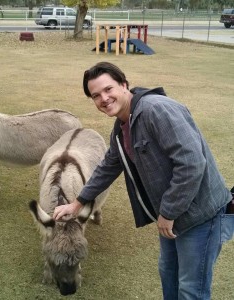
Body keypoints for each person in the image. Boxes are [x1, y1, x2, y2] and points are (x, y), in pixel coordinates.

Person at [53, 62, 232, 299]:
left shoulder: (156, 110)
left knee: (191, 289)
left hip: (200, 216)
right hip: (172, 215)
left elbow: (191, 164)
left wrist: (168, 212)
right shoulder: (121, 126)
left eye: (108, 89)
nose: (103, 99)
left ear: (124, 85)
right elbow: (108, 165)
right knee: (168, 273)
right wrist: (77, 203)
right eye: (96, 96)